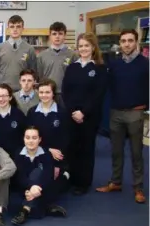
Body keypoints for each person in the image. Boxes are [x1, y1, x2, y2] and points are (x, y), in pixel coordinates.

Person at [96, 29, 149, 203]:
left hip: (136, 111)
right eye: (124, 41)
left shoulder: (145, 64)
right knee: (116, 151)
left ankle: (138, 188)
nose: (127, 44)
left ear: (136, 42)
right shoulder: (115, 65)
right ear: (120, 43)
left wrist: (145, 107)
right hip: (116, 113)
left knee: (136, 152)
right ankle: (116, 182)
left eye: (130, 41)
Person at [62, 32, 108, 195]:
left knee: (86, 149)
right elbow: (65, 91)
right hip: (71, 115)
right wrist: (73, 111)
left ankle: (83, 182)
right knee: (71, 147)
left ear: (93, 47)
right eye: (80, 46)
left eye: (86, 45)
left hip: (89, 116)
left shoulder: (99, 68)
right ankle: (71, 179)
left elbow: (98, 94)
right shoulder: (72, 67)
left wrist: (83, 112)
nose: (83, 49)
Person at [11, 126, 67, 226]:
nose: (30, 141)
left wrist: (36, 189)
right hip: (25, 188)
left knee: (38, 173)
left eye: (34, 138)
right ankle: (46, 208)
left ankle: (25, 210)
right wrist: (32, 188)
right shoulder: (18, 154)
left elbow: (47, 176)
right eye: (27, 138)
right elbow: (20, 176)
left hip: (42, 189)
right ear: (23, 138)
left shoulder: (46, 154)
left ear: (40, 139)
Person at [27, 79, 69, 183]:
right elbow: (29, 139)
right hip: (37, 153)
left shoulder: (62, 112)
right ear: (37, 93)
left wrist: (58, 164)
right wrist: (48, 150)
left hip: (56, 157)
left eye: (47, 92)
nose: (44, 95)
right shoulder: (32, 112)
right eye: (41, 92)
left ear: (53, 94)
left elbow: (66, 139)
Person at [37, 22, 78, 106]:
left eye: (60, 33)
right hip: (48, 94)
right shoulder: (41, 56)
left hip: (66, 94)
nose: (57, 36)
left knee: (65, 118)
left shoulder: (73, 55)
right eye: (54, 34)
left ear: (65, 35)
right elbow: (39, 77)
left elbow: (75, 77)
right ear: (50, 36)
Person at [0, 15, 37, 92]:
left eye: (18, 26)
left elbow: (33, 72)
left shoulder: (29, 49)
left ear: (23, 28)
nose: (15, 29)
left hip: (23, 91)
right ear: (8, 29)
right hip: (3, 91)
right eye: (12, 27)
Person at [0, 83, 26, 157]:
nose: (1, 99)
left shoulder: (19, 115)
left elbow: (25, 136)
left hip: (15, 157)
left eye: (4, 96)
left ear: (10, 97)